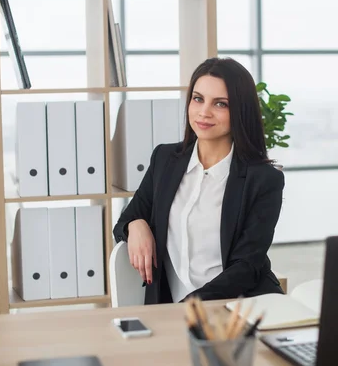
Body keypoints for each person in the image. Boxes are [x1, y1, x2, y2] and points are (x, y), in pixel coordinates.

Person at [113, 57, 285, 304]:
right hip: (171, 308)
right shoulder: (165, 159)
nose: (204, 112)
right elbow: (124, 222)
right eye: (198, 98)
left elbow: (247, 266)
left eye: (221, 104)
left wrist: (189, 306)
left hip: (239, 306)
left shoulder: (264, 179)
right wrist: (136, 224)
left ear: (240, 110)